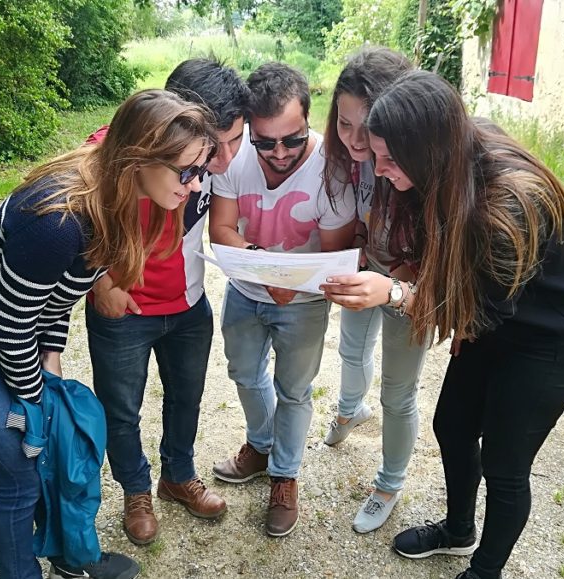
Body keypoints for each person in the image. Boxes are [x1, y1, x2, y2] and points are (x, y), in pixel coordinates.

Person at [0, 89, 216, 579]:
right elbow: (11, 324)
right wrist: (34, 402)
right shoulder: (57, 218)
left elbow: (54, 299)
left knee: (61, 441)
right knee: (18, 471)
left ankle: (71, 556)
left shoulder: (120, 197)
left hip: (10, 336)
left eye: (203, 169)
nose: (196, 185)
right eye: (186, 171)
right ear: (139, 157)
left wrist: (50, 359)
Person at [321, 70, 564, 579]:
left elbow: (478, 309)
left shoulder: (507, 204)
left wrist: (395, 291)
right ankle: (457, 530)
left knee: (504, 466)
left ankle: (485, 570)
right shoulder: (452, 161)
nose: (379, 170)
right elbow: (465, 285)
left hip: (548, 340)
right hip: (495, 320)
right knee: (451, 426)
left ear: (428, 149)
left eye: (389, 158)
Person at [85, 59, 251, 546]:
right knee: (121, 409)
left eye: (235, 139)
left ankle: (178, 475)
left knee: (187, 397)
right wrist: (97, 280)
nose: (222, 160)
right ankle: (135, 491)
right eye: (212, 148)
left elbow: (225, 224)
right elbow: (68, 214)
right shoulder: (106, 153)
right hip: (126, 311)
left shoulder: (221, 161)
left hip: (188, 305)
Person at [209, 62, 356, 537]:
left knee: (295, 391)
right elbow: (221, 229)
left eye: (292, 140)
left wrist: (294, 283)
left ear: (309, 121)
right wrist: (264, 266)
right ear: (249, 130)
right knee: (244, 374)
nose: (277, 153)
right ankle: (260, 443)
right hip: (246, 290)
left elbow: (334, 257)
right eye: (264, 141)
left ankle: (284, 475)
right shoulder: (236, 160)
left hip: (306, 301)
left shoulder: (331, 172)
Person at [320, 47, 424, 534]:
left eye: (368, 130)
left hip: (409, 286)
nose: (357, 143)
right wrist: (359, 243)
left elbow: (441, 269)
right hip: (366, 269)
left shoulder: (422, 163)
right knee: (350, 347)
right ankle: (348, 409)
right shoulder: (342, 158)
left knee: (399, 392)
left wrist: (399, 280)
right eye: (344, 125)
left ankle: (389, 481)